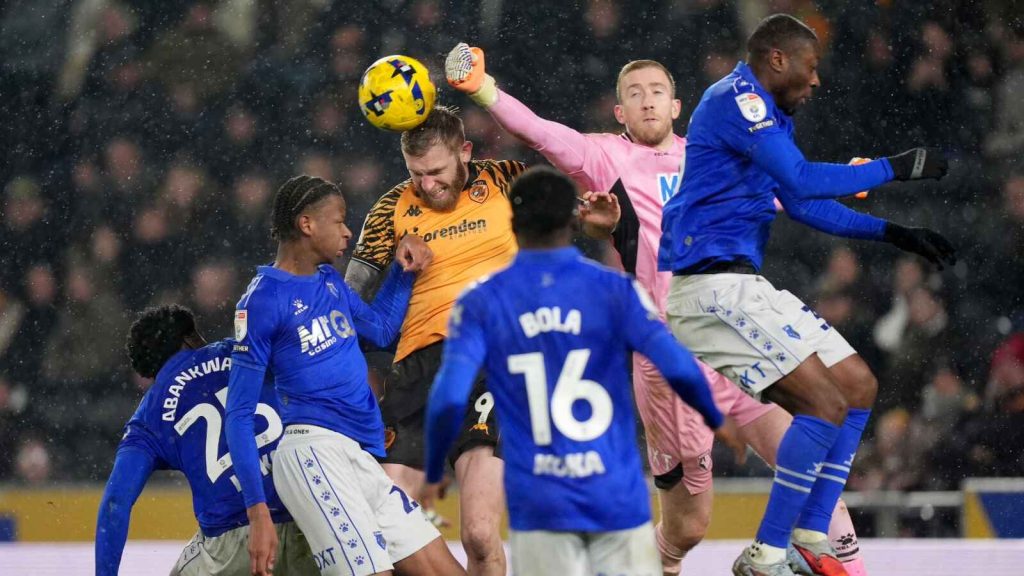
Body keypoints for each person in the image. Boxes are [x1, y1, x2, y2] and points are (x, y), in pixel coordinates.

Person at [445, 43, 867, 575]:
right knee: (689, 526)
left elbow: (788, 189)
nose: (647, 101)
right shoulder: (605, 158)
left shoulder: (712, 155)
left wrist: (852, 179)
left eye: (657, 92)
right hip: (669, 359)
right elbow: (541, 133)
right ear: (619, 112)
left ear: (676, 106)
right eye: (635, 94)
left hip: (736, 336)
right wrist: (484, 89)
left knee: (816, 479)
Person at [657, 14, 956, 576]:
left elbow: (801, 202)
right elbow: (800, 178)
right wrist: (894, 167)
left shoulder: (768, 118)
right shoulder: (738, 100)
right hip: (710, 288)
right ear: (778, 58)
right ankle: (766, 553)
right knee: (824, 405)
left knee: (858, 385)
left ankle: (812, 532)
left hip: (741, 284)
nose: (816, 80)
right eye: (811, 66)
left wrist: (892, 233)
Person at [420, 165, 745, 576]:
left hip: (541, 506)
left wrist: (435, 466)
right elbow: (674, 360)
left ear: (513, 223)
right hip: (614, 496)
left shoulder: (480, 301)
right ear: (574, 221)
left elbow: (449, 394)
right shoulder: (615, 291)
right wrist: (714, 414)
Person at [346, 106, 600, 576]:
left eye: (437, 171)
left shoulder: (507, 179)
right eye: (416, 174)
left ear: (465, 152)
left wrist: (598, 222)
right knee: (383, 528)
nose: (427, 185)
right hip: (417, 370)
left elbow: (581, 219)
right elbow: (351, 300)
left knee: (480, 536)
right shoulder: (390, 208)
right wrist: (398, 272)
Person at [224, 175, 463, 576]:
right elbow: (238, 413)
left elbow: (381, 330)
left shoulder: (329, 282)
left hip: (361, 457)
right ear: (307, 224)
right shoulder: (262, 299)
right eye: (339, 221)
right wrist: (257, 511)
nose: (348, 232)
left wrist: (403, 271)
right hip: (313, 451)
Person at [95, 304, 318, 575]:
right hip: (309, 519)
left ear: (150, 373)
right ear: (190, 338)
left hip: (234, 543)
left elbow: (116, 502)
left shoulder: (149, 415)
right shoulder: (241, 350)